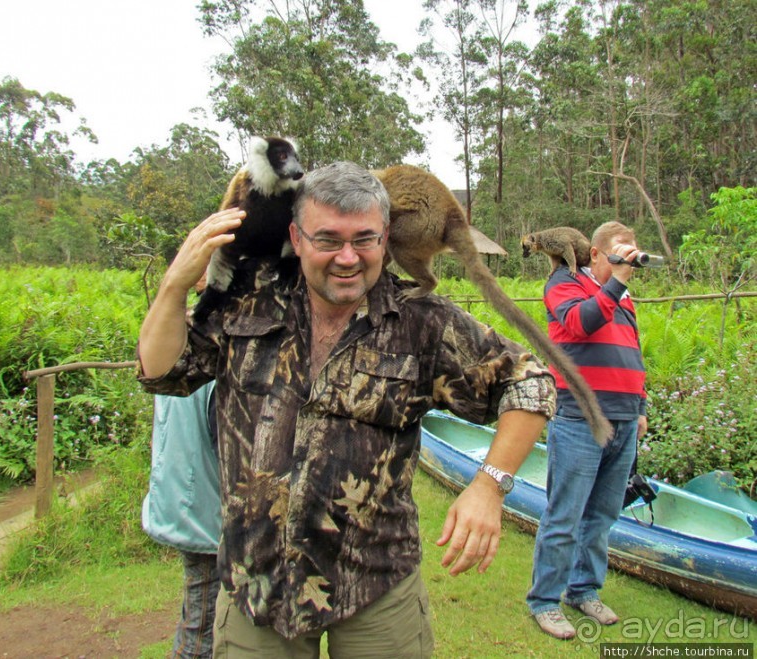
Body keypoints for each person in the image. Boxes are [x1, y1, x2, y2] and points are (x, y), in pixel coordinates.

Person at [137, 161, 556, 658]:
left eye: (365, 239)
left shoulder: (420, 321)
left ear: (386, 238)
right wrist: (174, 287)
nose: (347, 258)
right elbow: (163, 371)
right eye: (328, 239)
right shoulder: (250, 300)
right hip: (257, 586)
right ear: (297, 235)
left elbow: (530, 382)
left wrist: (490, 486)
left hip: (377, 584)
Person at [526, 221, 648, 639]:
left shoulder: (623, 297)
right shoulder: (562, 285)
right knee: (565, 514)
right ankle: (545, 600)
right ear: (594, 255)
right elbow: (581, 324)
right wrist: (616, 285)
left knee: (602, 516)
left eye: (631, 252)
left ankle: (583, 590)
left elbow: (632, 348)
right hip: (581, 418)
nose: (626, 260)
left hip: (624, 418)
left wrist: (640, 404)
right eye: (618, 253)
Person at [142, 381, 222, 658]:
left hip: (184, 504)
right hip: (206, 515)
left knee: (198, 615)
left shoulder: (177, 356)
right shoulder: (212, 370)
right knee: (201, 635)